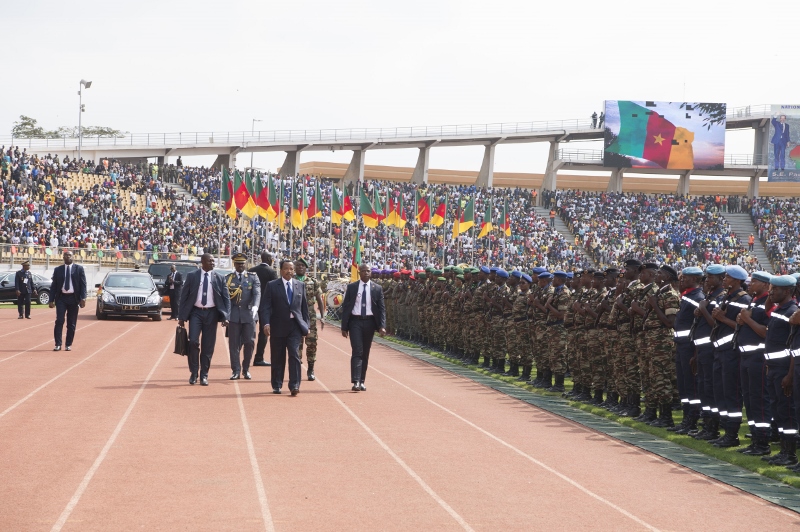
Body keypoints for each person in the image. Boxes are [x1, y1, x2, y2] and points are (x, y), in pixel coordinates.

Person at [178, 254, 231, 386]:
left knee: (208, 346)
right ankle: (194, 372)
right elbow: (183, 297)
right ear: (203, 262)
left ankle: (204, 375)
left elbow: (226, 298)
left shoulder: (219, 278)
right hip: (196, 313)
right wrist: (181, 317)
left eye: (213, 260)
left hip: (212, 314)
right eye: (210, 260)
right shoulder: (192, 276)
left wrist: (226, 316)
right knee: (193, 342)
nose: (213, 262)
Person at [259, 260, 309, 396]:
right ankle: (277, 384)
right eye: (286, 269)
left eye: (291, 269)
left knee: (294, 354)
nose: (289, 271)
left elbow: (304, 309)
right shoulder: (272, 285)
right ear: (281, 270)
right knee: (277, 357)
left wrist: (306, 326)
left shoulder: (300, 286)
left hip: (294, 327)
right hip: (277, 326)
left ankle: (295, 385)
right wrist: (266, 323)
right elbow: (265, 307)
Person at [340, 264, 386, 392]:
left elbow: (382, 309)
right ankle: (356, 381)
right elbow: (346, 307)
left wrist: (382, 326)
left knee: (365, 352)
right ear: (359, 273)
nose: (366, 273)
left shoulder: (377, 288)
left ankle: (362, 380)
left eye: (368, 271)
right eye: (364, 271)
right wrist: (344, 327)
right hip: (355, 322)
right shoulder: (352, 287)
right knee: (357, 350)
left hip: (370, 322)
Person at [225, 253, 261, 380]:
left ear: (246, 264)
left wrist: (256, 306)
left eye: (243, 263)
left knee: (249, 343)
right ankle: (235, 370)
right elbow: (226, 298)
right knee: (233, 344)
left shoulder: (252, 277)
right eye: (238, 263)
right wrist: (226, 315)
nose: (241, 265)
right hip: (234, 315)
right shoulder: (228, 278)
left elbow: (257, 293)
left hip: (249, 314)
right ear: (234, 264)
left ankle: (246, 369)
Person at [295, 258, 325, 381]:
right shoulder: (291, 281)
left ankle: (311, 369)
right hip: (296, 316)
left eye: (303, 266)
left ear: (306, 268)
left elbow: (319, 299)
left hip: (310, 317)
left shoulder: (313, 282)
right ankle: (297, 367)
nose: (300, 267)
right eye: (298, 265)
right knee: (296, 344)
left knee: (311, 343)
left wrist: (322, 316)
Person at [49, 251, 87, 351]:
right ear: (63, 257)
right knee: (59, 320)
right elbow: (54, 286)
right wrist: (51, 299)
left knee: (71, 323)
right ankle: (58, 344)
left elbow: (83, 285)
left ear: (73, 257)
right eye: (66, 255)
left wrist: (83, 298)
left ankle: (68, 344)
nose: (68, 257)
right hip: (61, 298)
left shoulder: (79, 269)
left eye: (69, 255)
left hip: (74, 299)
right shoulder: (58, 270)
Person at [249, 251, 278, 367]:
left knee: (247, 331)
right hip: (266, 306)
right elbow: (276, 289)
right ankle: (258, 357)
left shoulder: (251, 270)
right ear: (267, 258)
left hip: (251, 305)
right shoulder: (271, 272)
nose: (272, 260)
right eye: (271, 258)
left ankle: (241, 357)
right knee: (264, 332)